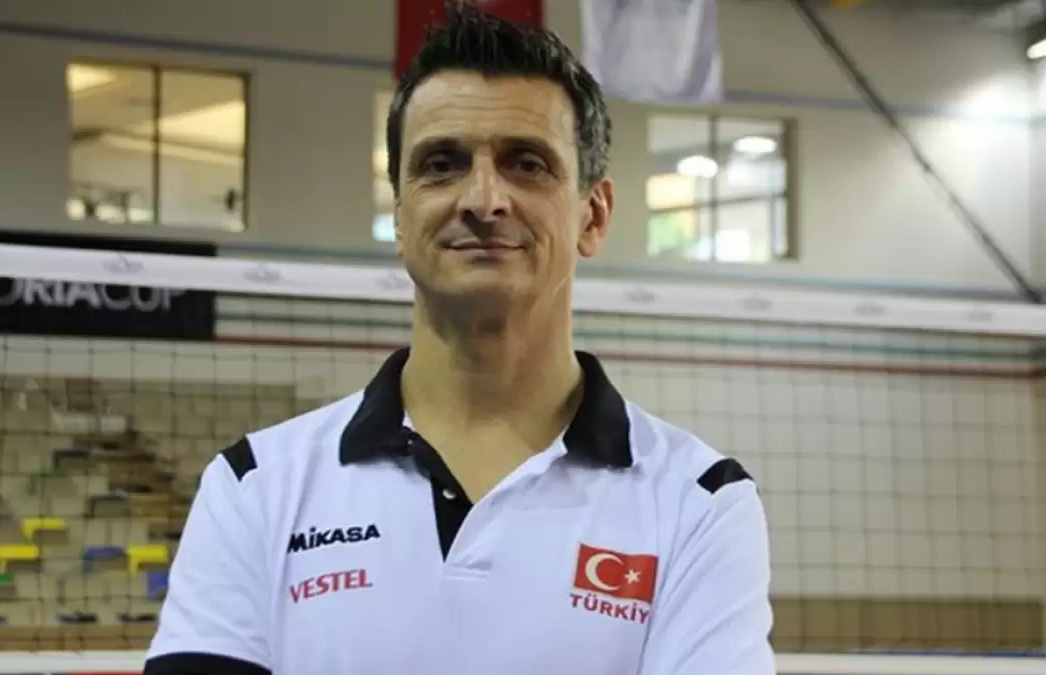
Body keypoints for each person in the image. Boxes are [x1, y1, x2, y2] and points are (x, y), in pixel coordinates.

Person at [143, 6, 773, 675]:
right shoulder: (255, 486)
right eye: (442, 164)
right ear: (400, 215)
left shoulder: (700, 502)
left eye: (526, 163)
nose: (483, 199)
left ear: (593, 215)